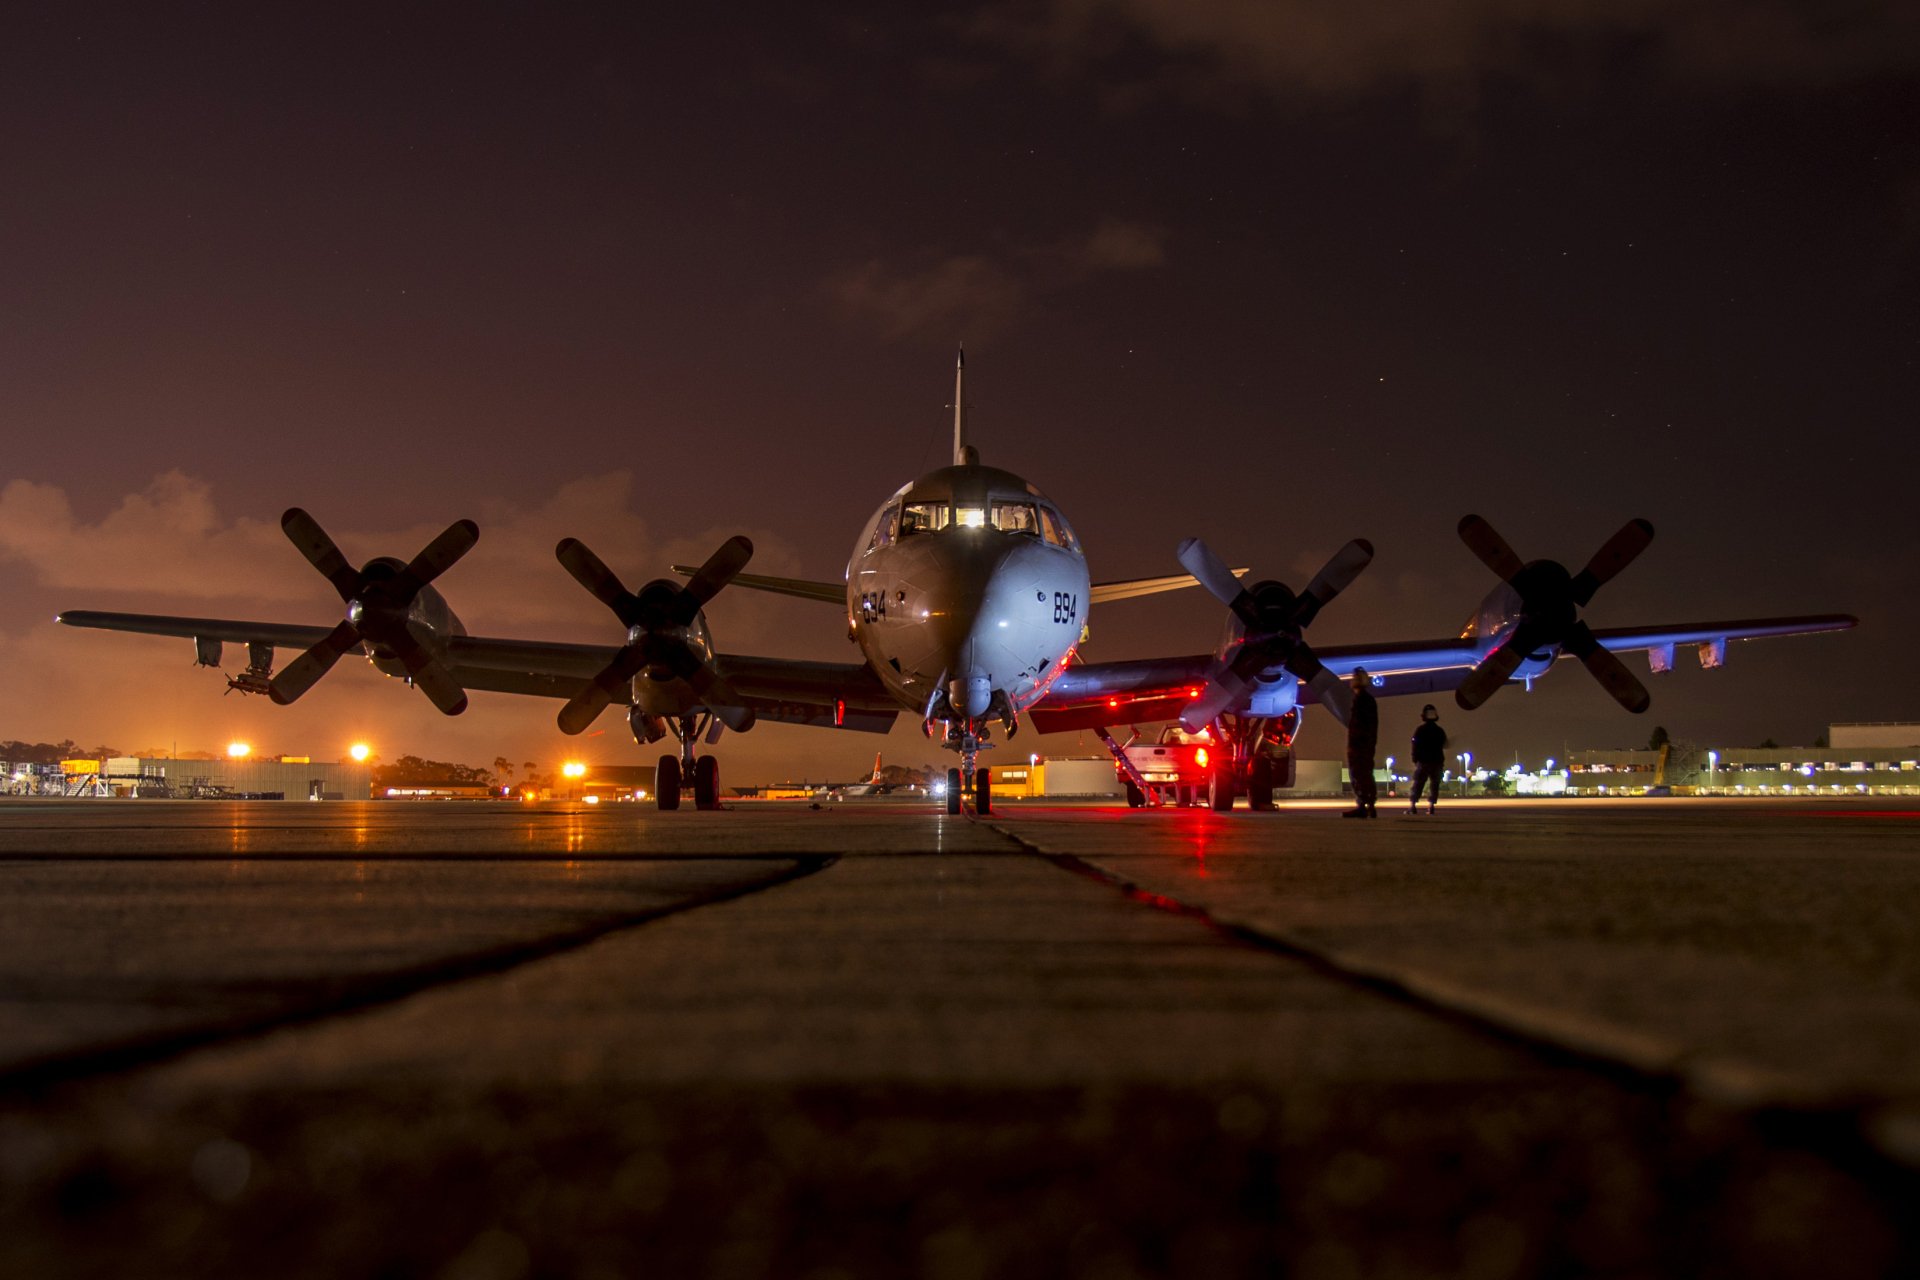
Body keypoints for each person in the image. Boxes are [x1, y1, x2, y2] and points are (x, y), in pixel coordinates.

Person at [1342, 667, 1379, 818]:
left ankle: (1363, 805)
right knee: (1366, 773)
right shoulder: (1368, 700)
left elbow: (1360, 725)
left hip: (1359, 745)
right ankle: (1369, 805)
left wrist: (1355, 743)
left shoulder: (1361, 700)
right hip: (1366, 744)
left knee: (1359, 773)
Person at [1409, 704, 1447, 815]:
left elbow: (1414, 745)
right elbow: (1444, 743)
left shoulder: (1420, 730)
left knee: (1418, 784)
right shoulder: (1439, 731)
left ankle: (1413, 806)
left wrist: (1415, 759)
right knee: (1434, 785)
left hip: (1424, 762)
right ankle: (1431, 807)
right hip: (1437, 762)